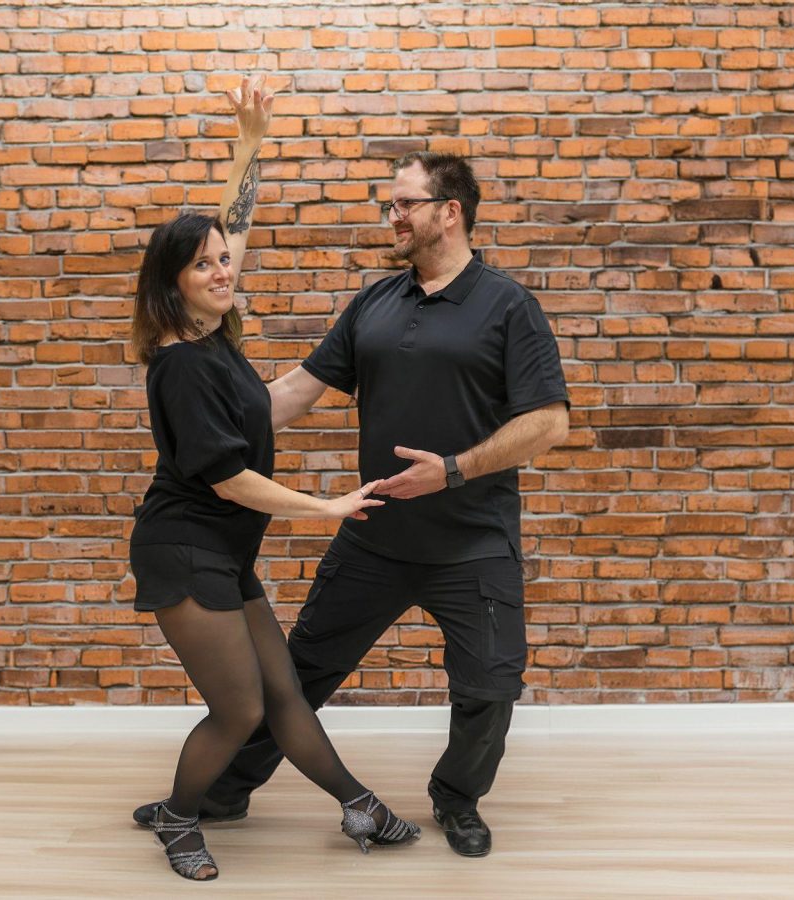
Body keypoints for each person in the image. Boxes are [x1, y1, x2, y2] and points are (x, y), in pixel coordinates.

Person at [134, 150, 570, 857]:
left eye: (405, 204)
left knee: (490, 689)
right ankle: (216, 792)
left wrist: (454, 470)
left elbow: (550, 423)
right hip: (373, 539)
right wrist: (211, 426)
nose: (392, 216)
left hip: (472, 540)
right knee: (294, 676)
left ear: (448, 212)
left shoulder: (507, 306)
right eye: (391, 204)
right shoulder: (374, 303)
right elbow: (288, 396)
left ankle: (456, 801)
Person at [128, 76, 419, 882]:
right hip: (185, 549)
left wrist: (248, 146)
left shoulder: (216, 333)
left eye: (224, 263)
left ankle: (357, 804)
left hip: (223, 554)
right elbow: (229, 480)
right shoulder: (182, 367)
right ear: (173, 284)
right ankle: (181, 819)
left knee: (285, 692)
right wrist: (326, 506)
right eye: (204, 267)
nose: (223, 272)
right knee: (242, 708)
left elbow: (235, 227)